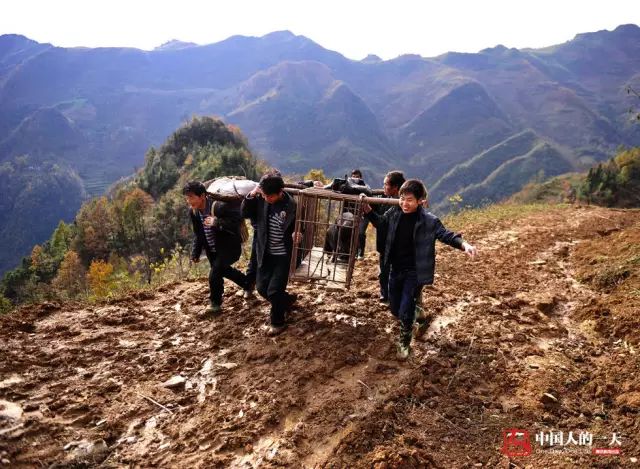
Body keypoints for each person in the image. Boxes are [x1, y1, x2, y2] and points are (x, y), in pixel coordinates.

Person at [362, 179, 477, 359]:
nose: (404, 203)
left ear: (420, 201)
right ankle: (417, 311)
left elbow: (445, 235)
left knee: (404, 310)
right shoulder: (394, 212)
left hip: (414, 272)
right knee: (394, 308)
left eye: (409, 200)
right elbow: (382, 224)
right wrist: (368, 211)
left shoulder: (429, 221)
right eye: (401, 198)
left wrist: (464, 245)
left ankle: (404, 341)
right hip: (395, 268)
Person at [241, 172, 300, 336]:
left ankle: (277, 322)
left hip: (283, 256)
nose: (268, 199)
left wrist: (297, 233)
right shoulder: (260, 200)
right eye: (265, 195)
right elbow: (245, 213)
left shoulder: (291, 205)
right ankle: (286, 301)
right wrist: (251, 196)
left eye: (271, 196)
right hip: (265, 252)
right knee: (261, 288)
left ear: (281, 192)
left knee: (274, 290)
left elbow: (300, 225)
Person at [183, 181, 249, 317]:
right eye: (187, 197)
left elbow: (237, 220)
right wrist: (195, 252)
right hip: (212, 250)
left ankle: (215, 304)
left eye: (191, 197)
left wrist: (217, 222)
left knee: (214, 274)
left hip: (229, 248)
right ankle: (247, 283)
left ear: (202, 196)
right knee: (223, 271)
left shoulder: (218, 207)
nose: (188, 201)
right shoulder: (194, 212)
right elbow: (198, 233)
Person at [374, 170, 405, 303]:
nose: (383, 187)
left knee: (395, 273)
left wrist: (368, 211)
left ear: (395, 187)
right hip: (384, 245)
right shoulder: (384, 199)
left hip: (398, 247)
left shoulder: (402, 203)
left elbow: (381, 223)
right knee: (384, 272)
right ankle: (385, 294)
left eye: (386, 184)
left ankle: (394, 297)